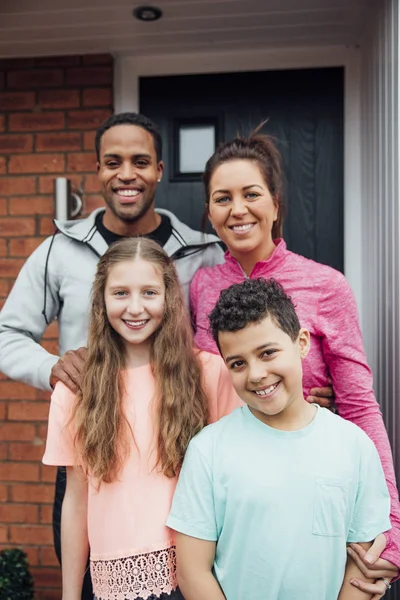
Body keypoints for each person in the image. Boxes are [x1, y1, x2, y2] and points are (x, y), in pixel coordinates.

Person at [0, 112, 225, 600]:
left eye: (140, 162)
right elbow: (8, 332)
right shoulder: (60, 250)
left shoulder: (201, 252)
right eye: (113, 162)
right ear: (98, 170)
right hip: (95, 448)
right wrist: (51, 368)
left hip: (173, 455)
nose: (127, 174)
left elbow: (229, 347)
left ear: (160, 170)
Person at [189, 129, 400, 591]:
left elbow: (360, 404)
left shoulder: (326, 285)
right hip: (234, 497)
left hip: (312, 491)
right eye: (223, 198)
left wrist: (392, 528)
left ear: (276, 205)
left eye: (251, 194)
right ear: (209, 213)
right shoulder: (203, 286)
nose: (237, 209)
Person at [167, 278, 392, 600]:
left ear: (301, 343)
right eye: (238, 363)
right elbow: (193, 572)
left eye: (268, 353)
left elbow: (362, 561)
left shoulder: (353, 446)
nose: (256, 374)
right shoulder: (208, 450)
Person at [42, 237, 241, 600]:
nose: (135, 308)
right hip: (108, 581)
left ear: (169, 297)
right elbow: (76, 500)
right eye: (120, 293)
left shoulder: (210, 374)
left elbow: (238, 484)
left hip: (194, 579)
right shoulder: (76, 388)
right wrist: (69, 596)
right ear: (101, 300)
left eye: (149, 292)